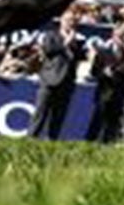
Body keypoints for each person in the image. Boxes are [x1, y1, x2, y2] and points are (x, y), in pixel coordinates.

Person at [28, 11, 85, 141]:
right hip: (50, 79)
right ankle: (32, 137)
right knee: (41, 111)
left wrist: (76, 45)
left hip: (67, 81)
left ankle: (51, 138)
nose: (71, 23)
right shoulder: (51, 35)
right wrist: (65, 43)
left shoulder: (77, 40)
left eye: (73, 21)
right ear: (61, 21)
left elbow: (80, 57)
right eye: (68, 20)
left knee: (59, 114)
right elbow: (48, 50)